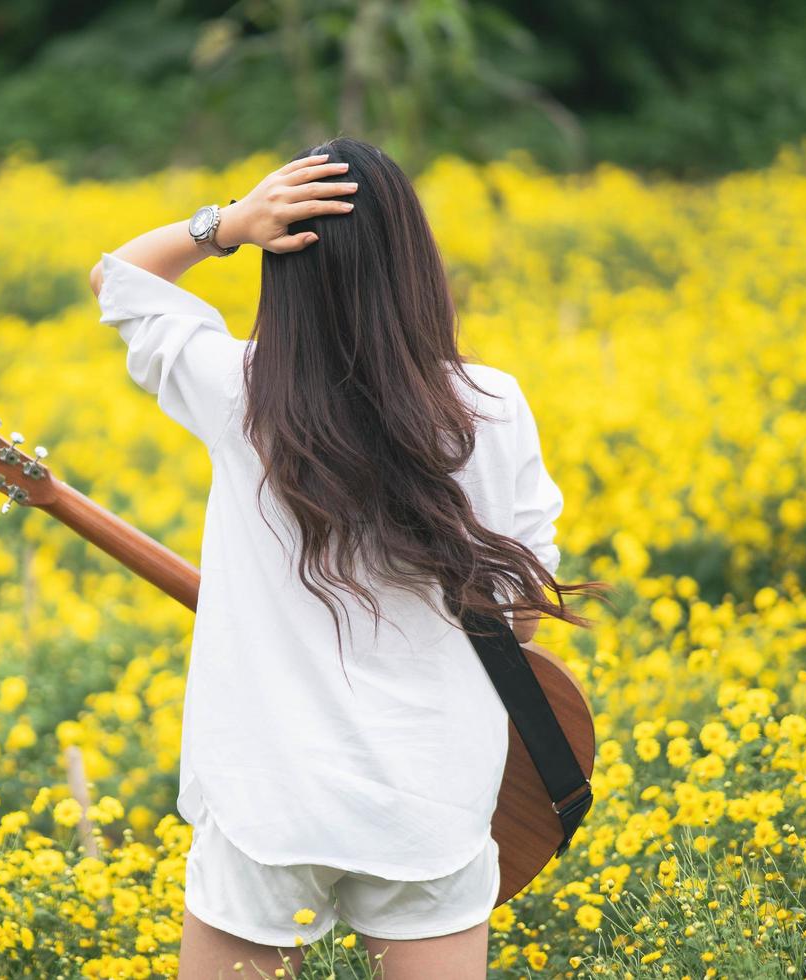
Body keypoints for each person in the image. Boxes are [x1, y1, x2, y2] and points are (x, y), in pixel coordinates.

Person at [88, 136, 594, 979]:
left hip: (270, 802)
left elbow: (119, 279)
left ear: (282, 269)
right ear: (414, 265)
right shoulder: (492, 406)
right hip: (431, 796)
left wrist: (228, 224)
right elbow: (521, 610)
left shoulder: (242, 393)